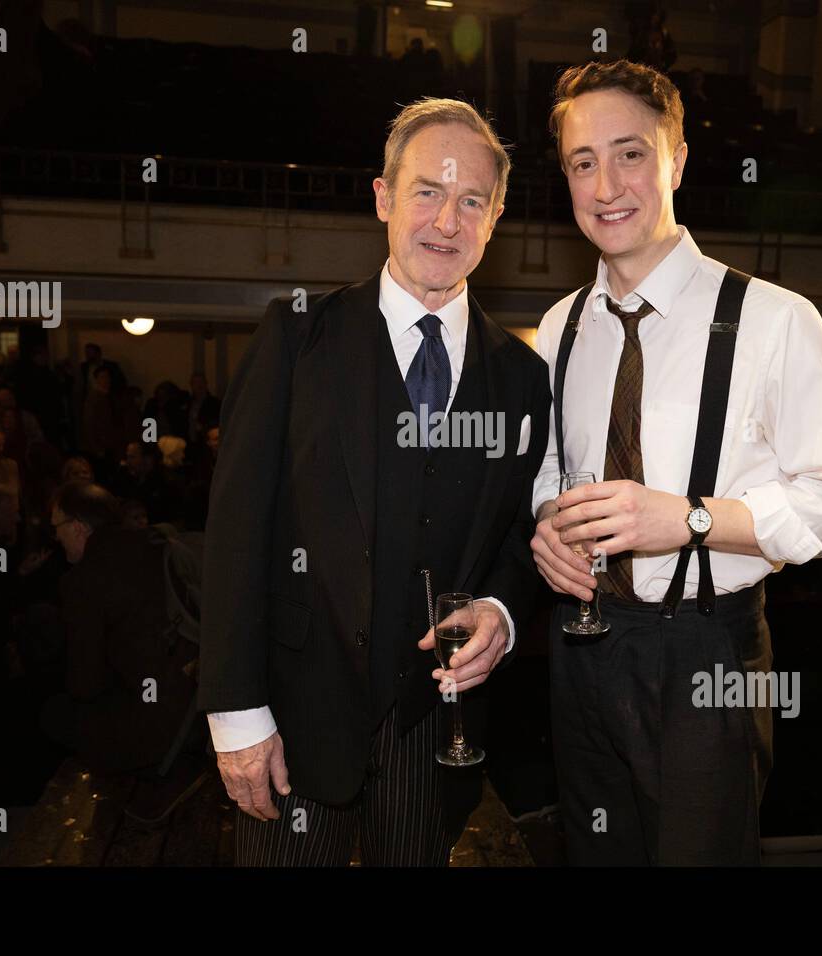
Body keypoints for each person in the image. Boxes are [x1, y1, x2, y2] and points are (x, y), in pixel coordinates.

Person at [528, 60, 822, 866]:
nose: (607, 184)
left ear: (677, 161)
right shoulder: (560, 326)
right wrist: (546, 526)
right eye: (584, 162)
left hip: (708, 654)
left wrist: (689, 519)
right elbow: (552, 472)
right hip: (582, 646)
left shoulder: (775, 319)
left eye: (631, 154)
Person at [200, 97, 551, 866]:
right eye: (427, 192)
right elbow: (233, 532)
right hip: (293, 722)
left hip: (436, 730)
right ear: (384, 197)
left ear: (495, 220)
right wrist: (236, 713)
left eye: (471, 202)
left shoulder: (523, 378)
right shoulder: (295, 337)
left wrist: (499, 608)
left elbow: (523, 537)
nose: (446, 223)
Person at [42, 481, 195, 773]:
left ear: (77, 527)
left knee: (53, 714)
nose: (56, 537)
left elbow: (85, 684)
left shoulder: (83, 580)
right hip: (195, 704)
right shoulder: (156, 542)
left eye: (57, 527)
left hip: (155, 727)